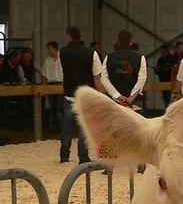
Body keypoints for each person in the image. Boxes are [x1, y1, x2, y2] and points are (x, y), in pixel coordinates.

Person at [59, 25, 103, 164]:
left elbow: (63, 73)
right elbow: (97, 77)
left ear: (69, 36)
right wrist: (101, 95)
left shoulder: (62, 53)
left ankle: (64, 154)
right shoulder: (92, 53)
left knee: (67, 126)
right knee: (85, 126)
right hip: (86, 96)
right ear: (81, 36)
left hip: (69, 94)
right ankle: (83, 155)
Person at [101, 29, 147, 109]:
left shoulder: (109, 57)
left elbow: (104, 79)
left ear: (118, 41)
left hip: (114, 101)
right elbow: (142, 79)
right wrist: (130, 98)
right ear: (131, 41)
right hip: (134, 101)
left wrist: (118, 96)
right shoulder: (140, 58)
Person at [42, 40, 64, 127]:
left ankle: (62, 123)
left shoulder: (62, 59)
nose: (48, 51)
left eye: (49, 48)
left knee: (60, 105)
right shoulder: (47, 60)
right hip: (51, 84)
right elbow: (45, 75)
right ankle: (55, 124)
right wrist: (44, 88)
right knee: (52, 106)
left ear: (55, 48)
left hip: (60, 84)